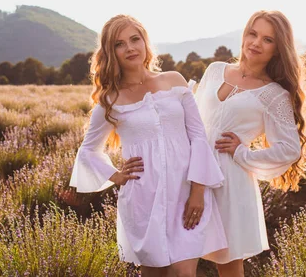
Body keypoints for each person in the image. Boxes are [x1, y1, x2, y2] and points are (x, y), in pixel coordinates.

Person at [123, 10, 306, 277]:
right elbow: (191, 120)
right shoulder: (215, 70)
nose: (256, 43)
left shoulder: (273, 94)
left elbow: (290, 149)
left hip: (229, 182)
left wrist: (243, 153)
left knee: (228, 265)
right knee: (177, 259)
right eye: (252, 34)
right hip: (190, 173)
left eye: (267, 40)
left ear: (278, 49)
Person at [69, 14, 227, 277]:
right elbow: (87, 150)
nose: (130, 47)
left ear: (145, 42)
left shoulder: (174, 80)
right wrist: (116, 175)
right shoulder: (110, 99)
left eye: (135, 39)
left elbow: (198, 136)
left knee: (183, 273)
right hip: (144, 197)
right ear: (111, 52)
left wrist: (198, 191)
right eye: (120, 44)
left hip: (186, 190)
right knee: (155, 272)